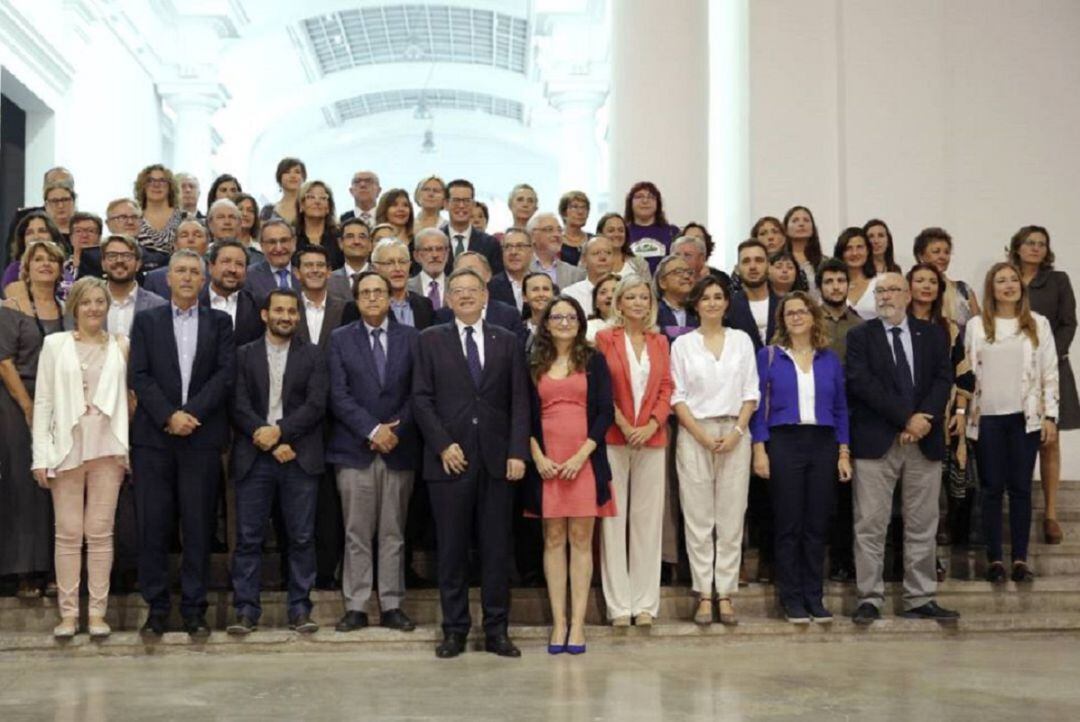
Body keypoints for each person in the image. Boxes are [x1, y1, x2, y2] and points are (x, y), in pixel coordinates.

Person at [412, 267, 529, 659]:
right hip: (450, 462)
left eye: (471, 290)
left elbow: (519, 401)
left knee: (496, 550)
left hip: (497, 461)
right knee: (452, 551)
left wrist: (517, 451)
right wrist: (444, 445)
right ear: (447, 299)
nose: (464, 296)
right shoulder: (429, 340)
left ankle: (497, 630)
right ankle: (455, 630)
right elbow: (421, 399)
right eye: (456, 290)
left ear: (485, 297)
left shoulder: (508, 340)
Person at [128, 249, 236, 638]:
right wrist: (168, 416)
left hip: (202, 438)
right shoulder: (146, 321)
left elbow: (225, 375)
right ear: (167, 279)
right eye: (181, 271)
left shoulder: (220, 322)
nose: (188, 277)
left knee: (198, 526)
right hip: (154, 440)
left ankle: (194, 609)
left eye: (195, 271)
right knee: (153, 527)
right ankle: (156, 609)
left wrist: (190, 414)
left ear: (204, 280)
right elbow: (139, 374)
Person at [846, 272, 958, 624]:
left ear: (909, 295)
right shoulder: (859, 336)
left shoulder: (933, 334)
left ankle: (920, 597)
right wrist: (905, 419)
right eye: (879, 291)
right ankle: (869, 597)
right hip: (877, 441)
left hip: (924, 440)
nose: (885, 297)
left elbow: (944, 378)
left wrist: (923, 418)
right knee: (870, 524)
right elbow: (861, 383)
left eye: (892, 290)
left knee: (923, 523)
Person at [31, 277, 129, 638]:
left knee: (100, 533)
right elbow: (43, 402)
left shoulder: (121, 345)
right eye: (85, 302)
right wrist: (40, 455)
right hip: (66, 449)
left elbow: (128, 400)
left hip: (108, 448)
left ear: (107, 306)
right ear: (74, 306)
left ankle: (98, 615)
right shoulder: (55, 345)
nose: (93, 308)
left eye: (99, 302)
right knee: (69, 533)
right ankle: (69, 616)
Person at [226, 288, 326, 635]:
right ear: (265, 315)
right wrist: (267, 438)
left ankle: (300, 609)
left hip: (298, 457)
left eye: (292, 311)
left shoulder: (313, 355)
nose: (286, 316)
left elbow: (315, 405)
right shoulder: (243, 355)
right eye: (279, 310)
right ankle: (246, 611)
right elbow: (237, 404)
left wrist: (280, 434)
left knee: (301, 537)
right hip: (255, 458)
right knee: (249, 538)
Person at [327, 271, 420, 633]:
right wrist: (371, 429)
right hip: (354, 448)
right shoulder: (339, 339)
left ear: (391, 296)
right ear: (356, 299)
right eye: (364, 292)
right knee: (357, 531)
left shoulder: (412, 338)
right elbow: (338, 394)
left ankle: (393, 603)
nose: (372, 298)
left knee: (393, 531)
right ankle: (357, 605)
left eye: (378, 292)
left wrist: (395, 429)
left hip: (399, 446)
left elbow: (419, 391)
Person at [751, 291, 851, 623]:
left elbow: (840, 409)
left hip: (822, 442)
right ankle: (791, 598)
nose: (796, 317)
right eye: (790, 312)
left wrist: (843, 452)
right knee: (789, 522)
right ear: (782, 320)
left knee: (816, 523)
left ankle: (814, 596)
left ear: (813, 317)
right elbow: (757, 410)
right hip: (784, 440)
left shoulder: (829, 359)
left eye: (802, 311)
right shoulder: (768, 357)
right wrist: (760, 449)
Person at [525, 295, 615, 654]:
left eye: (571, 316)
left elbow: (605, 412)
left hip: (584, 458)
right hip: (546, 459)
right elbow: (524, 413)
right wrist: (537, 456)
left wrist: (582, 455)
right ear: (546, 324)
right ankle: (558, 622)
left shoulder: (594, 360)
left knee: (580, 539)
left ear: (580, 322)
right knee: (552, 539)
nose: (564, 322)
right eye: (557, 317)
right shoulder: (533, 362)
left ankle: (577, 623)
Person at [671, 276, 759, 626]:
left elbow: (751, 391)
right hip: (695, 432)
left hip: (736, 432)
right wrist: (701, 435)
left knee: (731, 516)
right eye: (705, 297)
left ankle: (725, 592)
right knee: (699, 518)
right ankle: (703, 594)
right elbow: (676, 396)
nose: (711, 303)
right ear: (696, 304)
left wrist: (738, 431)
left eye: (718, 297)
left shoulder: (741, 341)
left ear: (727, 303)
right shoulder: (683, 345)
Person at [965, 262, 1058, 584]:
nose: (1008, 285)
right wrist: (962, 415)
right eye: (1001, 280)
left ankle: (1019, 558)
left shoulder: (1038, 324)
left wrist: (1050, 416)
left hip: (1025, 419)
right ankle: (994, 560)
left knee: (1020, 489)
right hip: (987, 418)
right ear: (992, 288)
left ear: (1021, 285)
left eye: (1013, 279)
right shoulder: (977, 325)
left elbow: (1049, 372)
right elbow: (966, 375)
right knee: (990, 489)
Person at [595, 275, 674, 626]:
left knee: (647, 522)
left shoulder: (660, 341)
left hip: (652, 438)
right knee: (614, 521)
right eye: (631, 297)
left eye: (644, 296)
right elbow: (600, 386)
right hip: (615, 436)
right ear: (619, 303)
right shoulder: (603, 338)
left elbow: (667, 387)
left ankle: (644, 604)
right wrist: (626, 426)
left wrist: (651, 425)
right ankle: (618, 606)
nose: (639, 302)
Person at [0, 239, 67, 598]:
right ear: (26, 266)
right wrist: (27, 406)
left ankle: (55, 569)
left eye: (51, 260)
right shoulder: (11, 307)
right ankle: (24, 571)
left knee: (54, 483)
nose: (45, 265)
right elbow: (4, 362)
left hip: (58, 400)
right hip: (18, 400)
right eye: (38, 259)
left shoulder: (64, 308)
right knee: (23, 485)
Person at [1010, 226, 1077, 544]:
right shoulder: (1006, 277)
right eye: (1030, 243)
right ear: (1017, 247)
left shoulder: (1058, 280)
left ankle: (1050, 514)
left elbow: (1069, 322)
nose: (1035, 248)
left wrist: (1050, 354)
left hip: (1050, 367)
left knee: (1049, 441)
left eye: (1041, 244)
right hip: (1011, 370)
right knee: (1013, 437)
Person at [907, 263, 975, 553]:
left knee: (947, 488)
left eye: (932, 282)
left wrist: (960, 413)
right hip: (906, 418)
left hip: (944, 416)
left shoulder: (948, 328)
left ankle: (939, 541)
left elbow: (963, 373)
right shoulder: (898, 324)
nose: (926, 286)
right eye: (919, 280)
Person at [816, 258, 864, 583]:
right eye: (829, 281)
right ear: (820, 286)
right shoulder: (806, 319)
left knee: (847, 495)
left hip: (852, 415)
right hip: (815, 417)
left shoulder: (860, 325)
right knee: (821, 493)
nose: (835, 286)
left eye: (840, 280)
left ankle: (843, 560)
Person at [101, 235, 168, 337]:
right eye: (112, 256)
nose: (119, 261)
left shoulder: (159, 306)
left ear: (138, 264)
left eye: (127, 256)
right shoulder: (84, 304)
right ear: (103, 264)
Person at [202, 239, 265, 347]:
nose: (232, 269)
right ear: (211, 267)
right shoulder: (193, 303)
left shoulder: (258, 306)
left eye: (239, 264)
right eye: (226, 262)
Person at [913, 227, 979, 328]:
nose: (942, 257)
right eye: (936, 251)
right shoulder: (910, 288)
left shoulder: (963, 289)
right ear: (921, 255)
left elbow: (979, 328)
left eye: (947, 252)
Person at [442, 179, 502, 275]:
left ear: (473, 204)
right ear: (445, 204)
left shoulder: (490, 244)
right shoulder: (434, 240)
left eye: (466, 201)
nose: (461, 205)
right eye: (456, 200)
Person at [295, 246, 348, 351]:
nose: (315, 270)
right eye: (308, 265)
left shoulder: (345, 308)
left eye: (320, 265)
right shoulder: (289, 308)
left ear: (329, 272)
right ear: (297, 273)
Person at [142, 218, 210, 299]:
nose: (190, 240)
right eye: (184, 235)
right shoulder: (154, 279)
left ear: (207, 244)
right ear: (175, 245)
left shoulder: (216, 277)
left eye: (197, 235)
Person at [624, 181, 680, 273]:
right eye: (639, 197)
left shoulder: (672, 232)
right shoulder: (622, 233)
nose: (645, 201)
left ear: (658, 203)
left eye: (651, 197)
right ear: (630, 203)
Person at [3, 211, 66, 290]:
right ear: (23, 240)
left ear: (53, 236)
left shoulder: (66, 269)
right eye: (29, 233)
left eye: (42, 231)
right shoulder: (15, 270)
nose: (36, 237)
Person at [134, 164, 184, 262]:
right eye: (150, 181)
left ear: (170, 187)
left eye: (162, 181)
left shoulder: (184, 218)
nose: (156, 185)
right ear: (142, 186)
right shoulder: (133, 218)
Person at [246, 220, 300, 303]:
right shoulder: (249, 276)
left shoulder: (306, 274)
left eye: (284, 241)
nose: (279, 248)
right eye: (272, 242)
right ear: (262, 246)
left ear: (294, 242)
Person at [529, 212, 586, 289]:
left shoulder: (574, 273)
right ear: (533, 236)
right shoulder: (521, 267)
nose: (556, 234)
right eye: (549, 230)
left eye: (559, 230)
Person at [834, 227, 880, 320]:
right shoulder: (832, 284)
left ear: (868, 251)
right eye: (848, 248)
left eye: (859, 247)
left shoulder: (881, 282)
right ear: (841, 253)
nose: (854, 253)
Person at [295, 180, 343, 270]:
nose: (317, 202)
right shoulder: (291, 236)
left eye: (323, 198)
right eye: (311, 197)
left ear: (328, 207)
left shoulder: (339, 236)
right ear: (301, 205)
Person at [563, 236, 614, 316]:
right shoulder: (570, 294)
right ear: (584, 260)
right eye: (596, 253)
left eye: (608, 253)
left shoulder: (626, 290)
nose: (603, 258)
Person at [782, 206, 824, 298]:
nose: (801, 224)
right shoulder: (780, 261)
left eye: (806, 220)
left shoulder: (824, 262)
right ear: (785, 228)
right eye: (795, 220)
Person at [653, 254, 698, 341]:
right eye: (678, 272)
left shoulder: (698, 311)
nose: (686, 276)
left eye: (689, 272)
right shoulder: (652, 312)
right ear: (662, 282)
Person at [596, 212, 651, 281]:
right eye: (611, 230)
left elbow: (648, 290)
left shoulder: (639, 263)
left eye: (621, 230)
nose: (616, 234)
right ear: (600, 234)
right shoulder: (591, 260)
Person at [488, 227, 532, 312]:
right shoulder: (490, 287)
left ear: (531, 250)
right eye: (508, 247)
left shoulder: (543, 284)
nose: (513, 252)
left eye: (520, 246)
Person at [407, 227, 450, 312]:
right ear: (416, 256)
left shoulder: (456, 287)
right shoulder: (406, 288)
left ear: (447, 254)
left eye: (439, 249)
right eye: (428, 250)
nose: (434, 255)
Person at [261, 157, 307, 224]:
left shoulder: (311, 207)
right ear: (279, 178)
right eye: (287, 172)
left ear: (303, 177)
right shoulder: (268, 210)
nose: (293, 176)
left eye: (297, 172)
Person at [522, 271, 556, 350]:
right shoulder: (518, 330)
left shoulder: (562, 328)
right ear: (524, 297)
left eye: (546, 289)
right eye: (535, 289)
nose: (541, 294)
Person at [334, 218, 374, 285]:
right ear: (340, 243)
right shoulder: (329, 280)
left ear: (370, 244)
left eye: (362, 237)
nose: (356, 241)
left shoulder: (382, 276)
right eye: (350, 236)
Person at [558, 191, 591, 266]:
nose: (580, 212)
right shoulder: (556, 240)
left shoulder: (593, 240)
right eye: (575, 207)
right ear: (564, 212)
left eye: (584, 207)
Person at [585, 273, 618, 344]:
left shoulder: (632, 326)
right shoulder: (588, 327)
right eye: (603, 292)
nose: (609, 296)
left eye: (615, 291)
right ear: (595, 302)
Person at [43, 181, 76, 250]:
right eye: (55, 201)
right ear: (46, 205)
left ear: (73, 202)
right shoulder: (41, 233)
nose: (60, 206)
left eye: (65, 200)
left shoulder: (83, 233)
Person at [234, 193, 263, 262]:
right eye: (240, 209)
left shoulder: (261, 251)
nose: (245, 214)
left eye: (250, 210)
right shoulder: (216, 248)